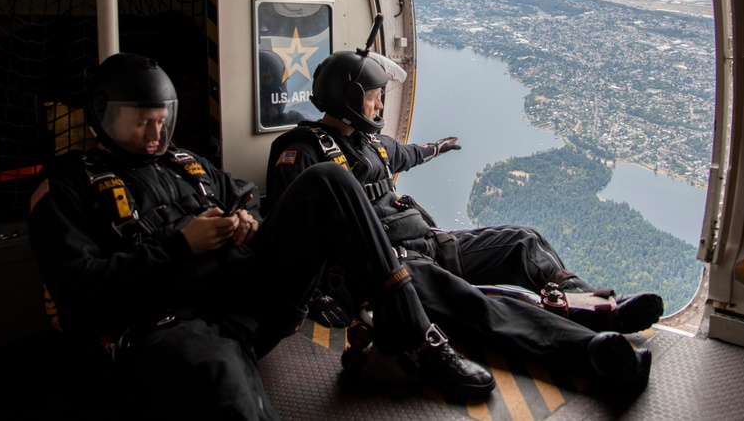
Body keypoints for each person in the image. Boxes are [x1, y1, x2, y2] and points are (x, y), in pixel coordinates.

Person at [28, 53, 497, 421]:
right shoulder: (67, 185)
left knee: (330, 182)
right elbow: (76, 289)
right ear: (104, 117)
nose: (154, 134)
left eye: (161, 120)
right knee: (225, 390)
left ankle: (413, 339)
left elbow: (246, 193)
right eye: (139, 121)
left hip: (253, 297)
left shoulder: (184, 162)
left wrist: (249, 218)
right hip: (173, 325)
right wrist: (180, 245)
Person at [265, 49, 661, 397]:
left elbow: (409, 154)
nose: (381, 106)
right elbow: (292, 235)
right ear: (349, 98)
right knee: (475, 305)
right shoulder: (300, 153)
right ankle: (588, 351)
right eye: (374, 97)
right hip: (386, 271)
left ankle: (596, 304)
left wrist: (439, 147)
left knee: (522, 240)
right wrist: (317, 297)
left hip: (430, 245)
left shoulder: (373, 145)